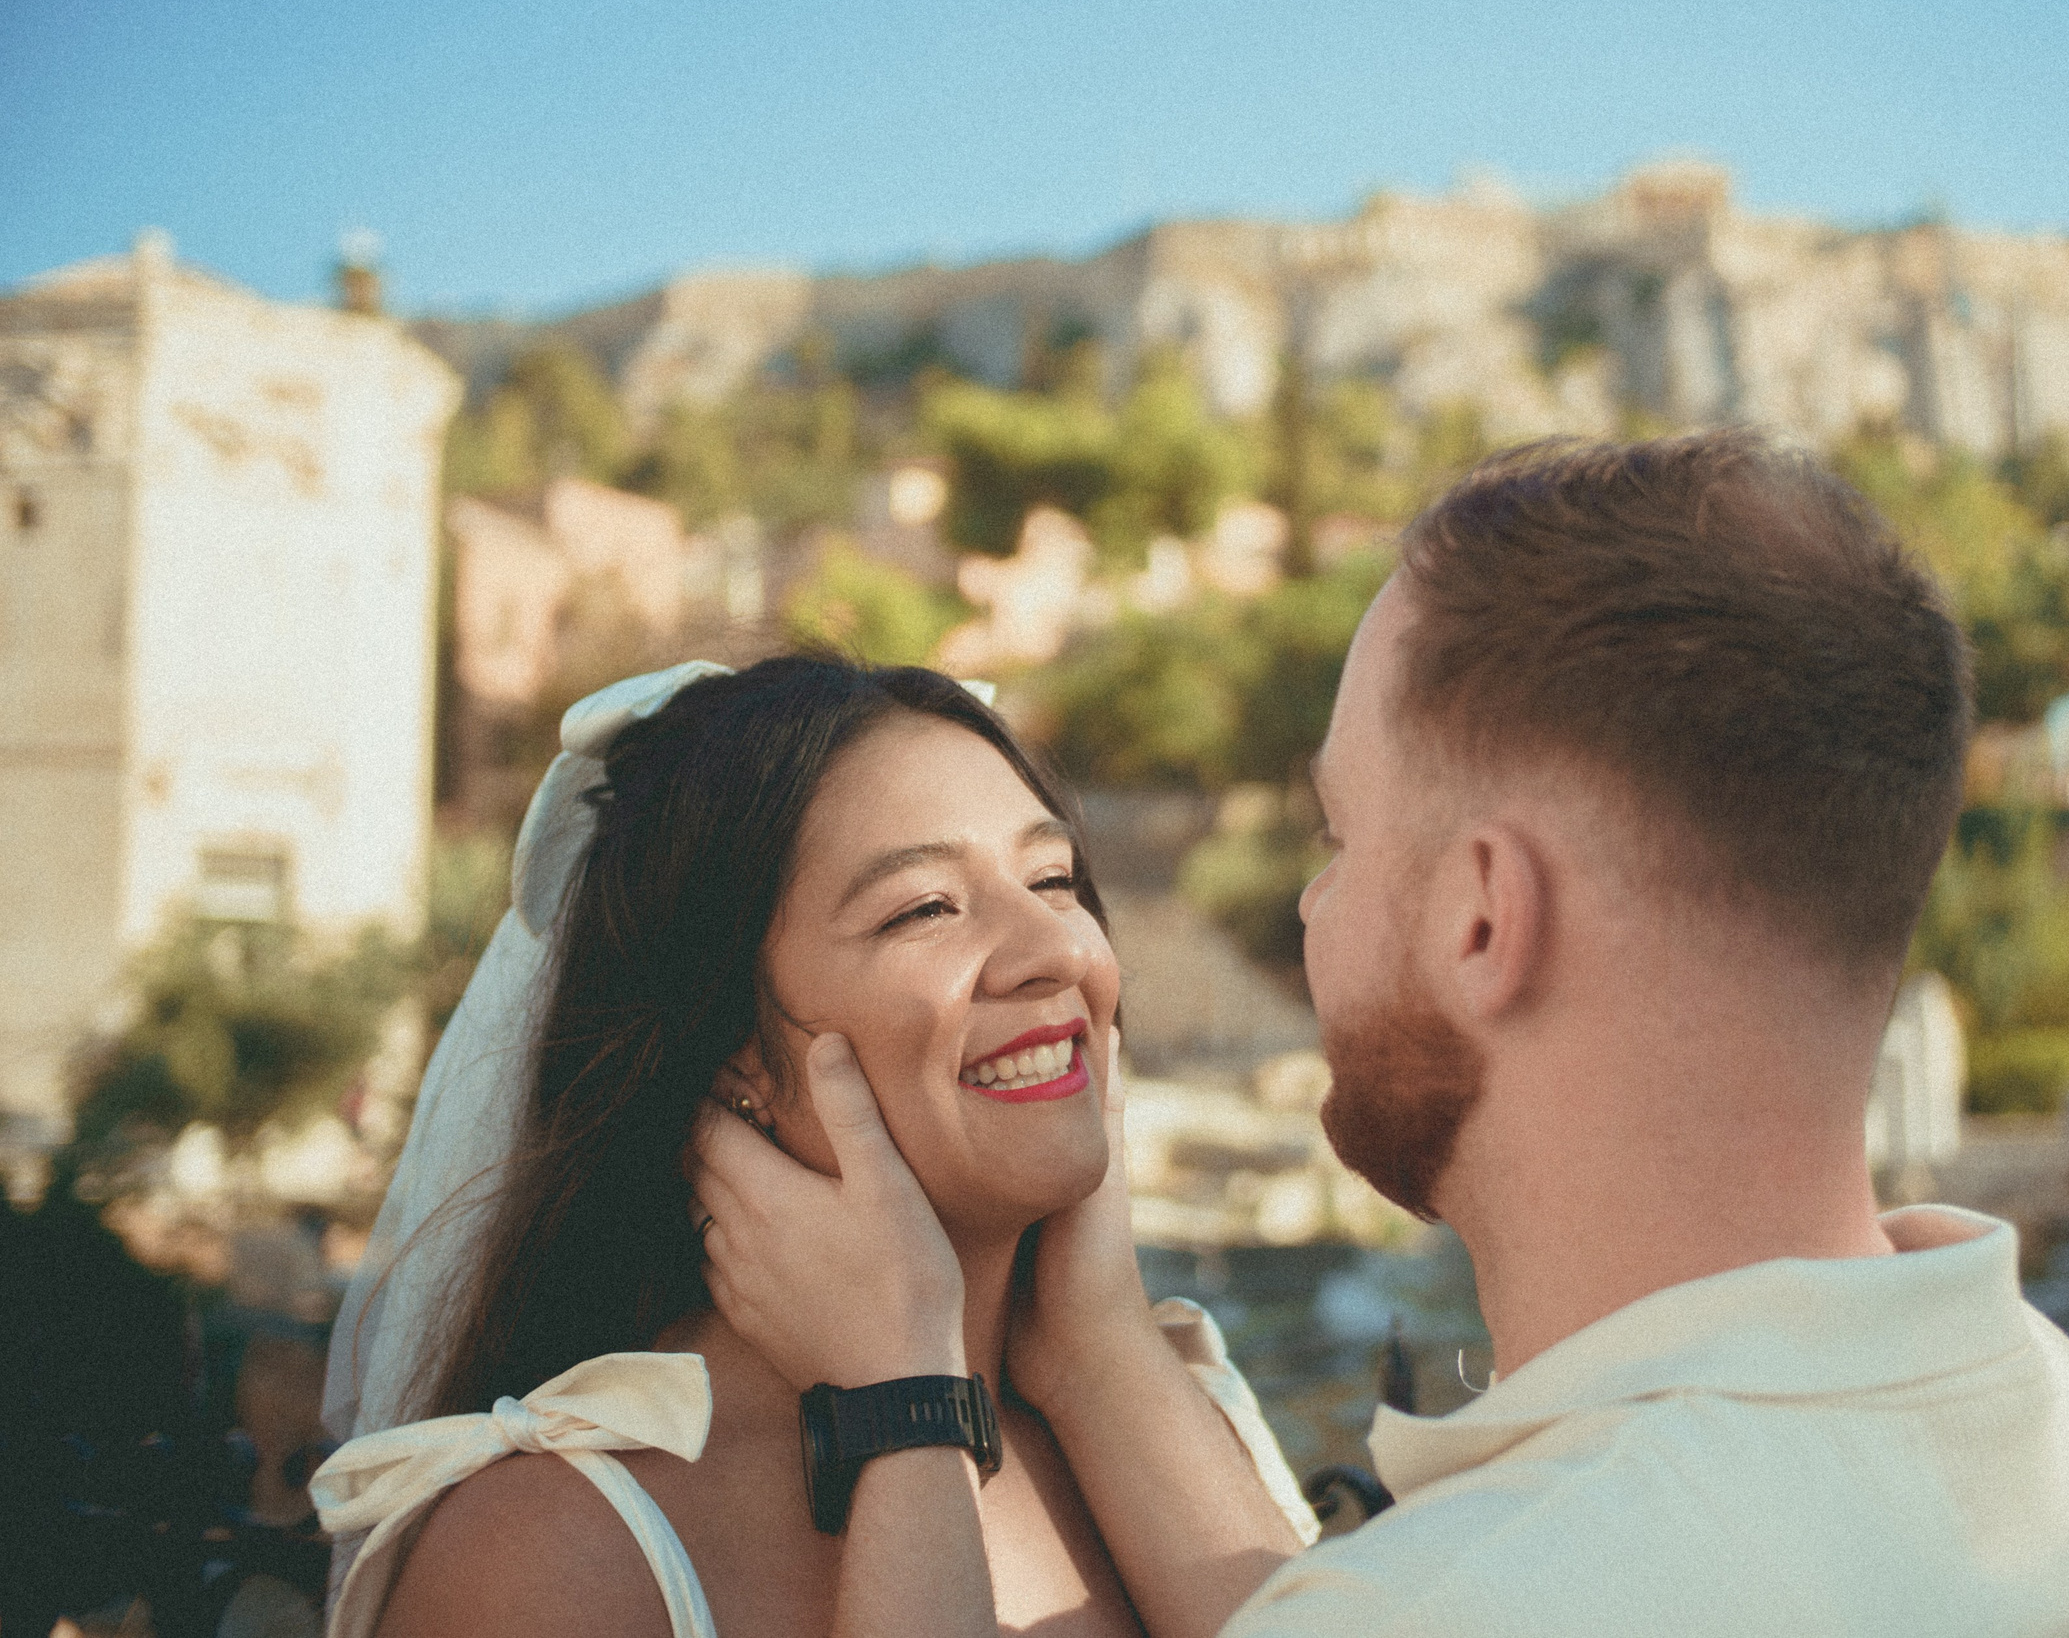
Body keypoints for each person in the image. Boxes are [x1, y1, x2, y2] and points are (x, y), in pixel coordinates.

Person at [696, 431, 2069, 1637]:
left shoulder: (1489, 1599)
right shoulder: (2065, 1437)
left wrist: (903, 1401)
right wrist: (1094, 1351)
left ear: (1484, 916)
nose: (1311, 905)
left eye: (1341, 839)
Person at [310, 658, 1317, 1638]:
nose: (1057, 949)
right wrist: (905, 1403)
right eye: (924, 907)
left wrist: (1101, 1342)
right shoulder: (553, 1553)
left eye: (1052, 878)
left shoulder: (1166, 1420)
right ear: (731, 1050)